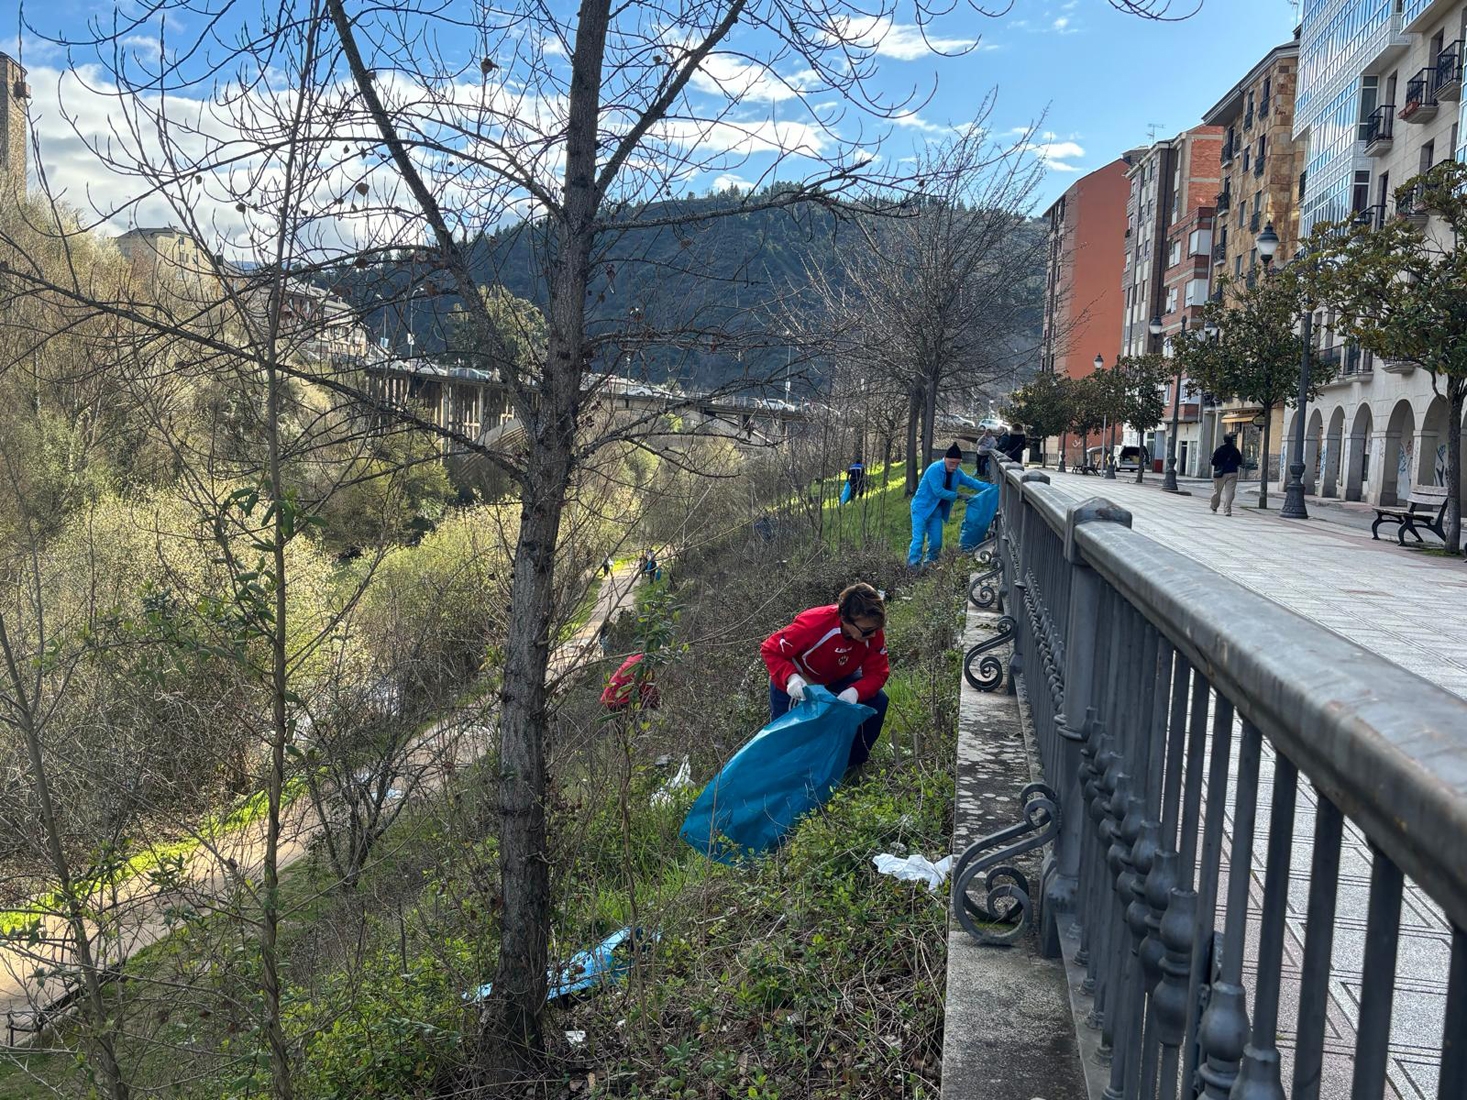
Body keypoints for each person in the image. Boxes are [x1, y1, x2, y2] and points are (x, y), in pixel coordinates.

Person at [760, 582, 889, 776]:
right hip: (800, 680)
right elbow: (770, 649)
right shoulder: (813, 624)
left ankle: (852, 766)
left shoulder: (871, 632)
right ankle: (785, 779)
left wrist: (855, 692)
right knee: (786, 736)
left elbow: (878, 672)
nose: (872, 634)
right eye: (866, 630)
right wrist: (791, 678)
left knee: (879, 701)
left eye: (876, 629)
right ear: (845, 619)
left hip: (838, 676)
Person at [908, 442, 985, 568]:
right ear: (945, 459)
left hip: (936, 511)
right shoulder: (934, 469)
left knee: (936, 542)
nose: (954, 467)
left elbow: (971, 482)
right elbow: (938, 491)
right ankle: (912, 569)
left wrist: (991, 488)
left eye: (957, 463)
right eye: (952, 463)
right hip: (921, 509)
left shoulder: (957, 472)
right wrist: (959, 495)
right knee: (918, 540)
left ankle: (929, 565)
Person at [1210, 432, 1244, 516]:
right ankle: (1227, 510)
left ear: (1224, 440)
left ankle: (1214, 507)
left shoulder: (1219, 450)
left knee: (1217, 491)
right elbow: (1239, 462)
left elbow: (1213, 462)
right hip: (1233, 472)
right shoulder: (1235, 450)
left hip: (1220, 473)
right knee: (1230, 492)